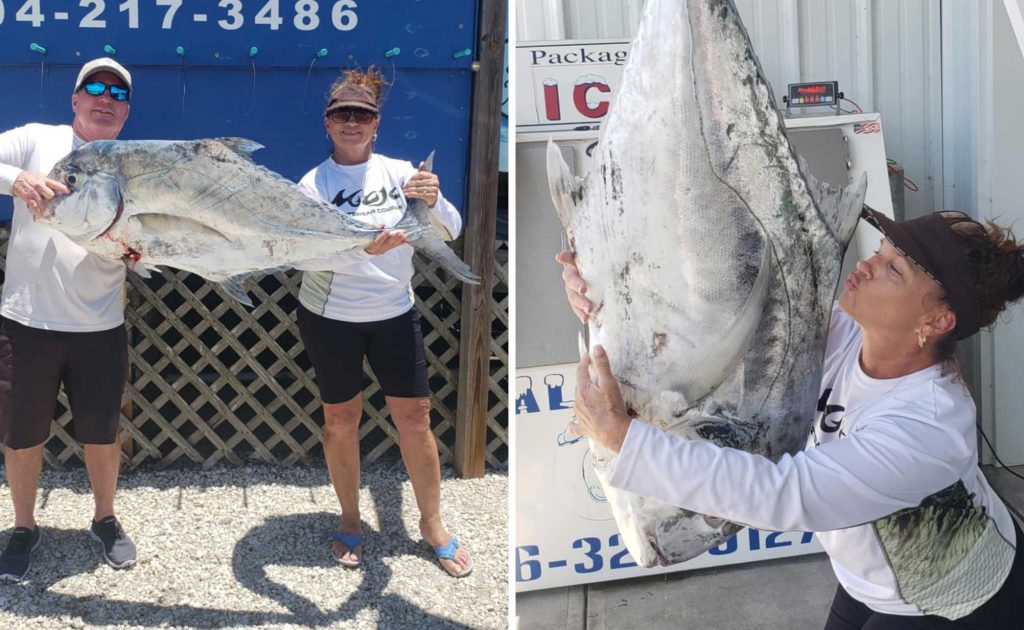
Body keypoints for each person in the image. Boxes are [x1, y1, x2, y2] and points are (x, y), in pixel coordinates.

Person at [557, 208, 1024, 629]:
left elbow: (785, 493)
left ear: (937, 322)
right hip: (870, 576)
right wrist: (604, 285)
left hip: (954, 596)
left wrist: (626, 439)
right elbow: (718, 306)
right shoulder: (844, 337)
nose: (865, 265)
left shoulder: (928, 427)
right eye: (880, 251)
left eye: (893, 269)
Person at [294, 67, 472, 577]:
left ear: (377, 124)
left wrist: (435, 200)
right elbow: (303, 256)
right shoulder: (312, 184)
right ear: (328, 124)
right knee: (339, 421)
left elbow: (451, 233)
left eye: (362, 114)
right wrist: (360, 248)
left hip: (394, 312)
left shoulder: (402, 173)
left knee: (415, 418)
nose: (351, 122)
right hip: (331, 318)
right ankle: (351, 521)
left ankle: (432, 523)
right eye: (341, 114)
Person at [0, 58, 139, 581]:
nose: (106, 98)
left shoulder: (130, 162)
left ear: (125, 112)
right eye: (95, 88)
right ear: (75, 99)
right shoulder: (38, 138)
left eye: (118, 94)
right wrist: (17, 181)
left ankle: (105, 518)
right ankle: (23, 526)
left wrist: (143, 253)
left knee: (103, 433)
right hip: (26, 322)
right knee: (21, 433)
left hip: (99, 324)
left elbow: (150, 233)